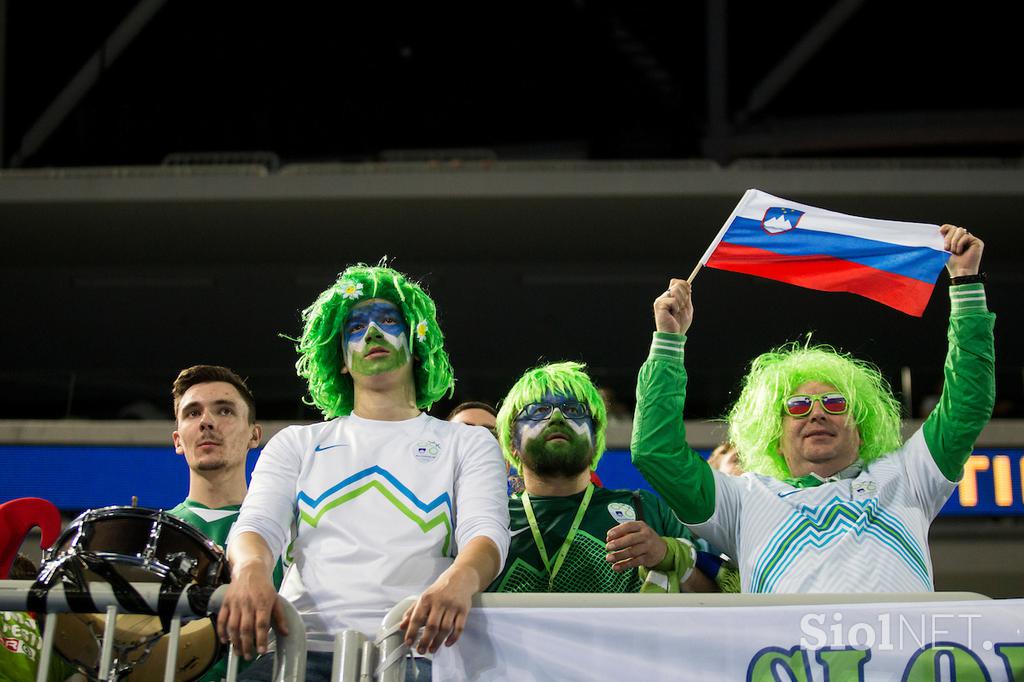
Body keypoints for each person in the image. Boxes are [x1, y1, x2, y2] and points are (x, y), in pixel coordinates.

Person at [631, 225, 993, 593]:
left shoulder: (909, 477)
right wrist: (668, 342)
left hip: (900, 650)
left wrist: (966, 283)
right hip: (784, 653)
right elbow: (656, 452)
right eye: (798, 406)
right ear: (775, 431)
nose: (817, 413)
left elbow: (967, 403)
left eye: (835, 403)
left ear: (861, 425)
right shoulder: (741, 500)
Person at [220, 264, 510, 681]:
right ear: (338, 357)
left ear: (417, 340)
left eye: (389, 320)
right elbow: (257, 525)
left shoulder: (468, 442)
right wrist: (250, 571)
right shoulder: (296, 443)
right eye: (355, 327)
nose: (372, 333)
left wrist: (462, 579)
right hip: (302, 651)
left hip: (417, 655)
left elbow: (487, 533)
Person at [490, 361, 716, 593]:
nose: (557, 418)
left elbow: (722, 599)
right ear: (511, 442)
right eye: (538, 411)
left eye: (574, 410)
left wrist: (668, 556)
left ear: (596, 438)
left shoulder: (644, 508)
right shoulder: (490, 518)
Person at [169, 364, 283, 682]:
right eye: (192, 413)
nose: (206, 422)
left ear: (254, 435)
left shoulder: (288, 531)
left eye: (224, 411)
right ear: (178, 441)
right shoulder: (151, 534)